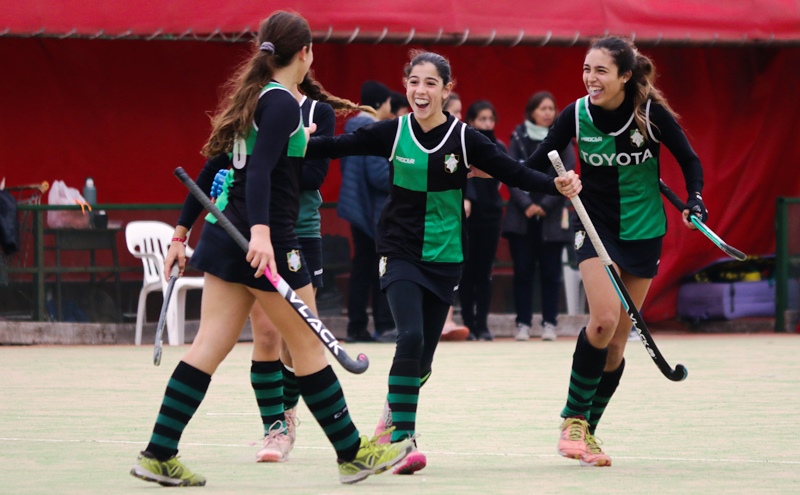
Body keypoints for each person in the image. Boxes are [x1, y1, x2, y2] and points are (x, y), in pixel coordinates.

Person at [128, 11, 414, 487]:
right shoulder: (281, 102)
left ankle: (158, 453)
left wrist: (182, 234)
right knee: (307, 347)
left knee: (208, 345)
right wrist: (261, 234)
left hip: (226, 237)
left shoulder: (259, 98)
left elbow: (240, 164)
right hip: (268, 240)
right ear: (304, 53)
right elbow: (259, 172)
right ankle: (352, 454)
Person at [306, 50, 581, 475]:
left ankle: (388, 421)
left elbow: (513, 172)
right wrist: (299, 141)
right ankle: (403, 440)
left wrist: (556, 184)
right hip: (399, 250)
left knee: (423, 363)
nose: (421, 90)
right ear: (406, 85)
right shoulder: (393, 132)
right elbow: (340, 146)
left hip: (446, 256)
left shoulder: (466, 138)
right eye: (414, 82)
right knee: (410, 338)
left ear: (446, 90)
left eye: (430, 83)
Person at [522, 36, 707, 467]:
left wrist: (694, 200)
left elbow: (690, 161)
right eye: (587, 69)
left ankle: (588, 432)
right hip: (594, 224)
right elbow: (535, 161)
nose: (591, 78)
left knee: (617, 346)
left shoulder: (650, 114)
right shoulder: (576, 114)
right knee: (603, 321)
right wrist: (494, 169)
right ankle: (572, 419)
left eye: (601, 70)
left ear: (625, 76)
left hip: (643, 229)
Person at [247, 86, 336, 462]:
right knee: (267, 332)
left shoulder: (319, 112)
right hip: (260, 231)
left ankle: (289, 410)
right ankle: (276, 427)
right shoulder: (252, 104)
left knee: (297, 339)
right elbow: (245, 169)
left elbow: (314, 175)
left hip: (302, 232)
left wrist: (272, 157)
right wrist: (293, 148)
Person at [504, 91, 577, 342]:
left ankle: (549, 323)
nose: (548, 113)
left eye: (551, 108)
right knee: (523, 272)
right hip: (522, 217)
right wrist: (526, 204)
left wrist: (545, 205)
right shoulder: (518, 136)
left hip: (552, 217)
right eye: (542, 108)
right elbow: (509, 171)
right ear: (532, 112)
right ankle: (523, 323)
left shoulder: (562, 138)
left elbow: (567, 174)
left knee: (551, 273)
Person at [337, 80, 397, 343]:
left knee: (361, 268)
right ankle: (383, 325)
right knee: (380, 267)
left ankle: (357, 326)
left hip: (356, 206)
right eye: (388, 103)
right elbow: (378, 174)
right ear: (379, 103)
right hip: (373, 210)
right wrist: (402, 173)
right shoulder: (372, 129)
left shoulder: (353, 128)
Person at [459, 100, 506, 341]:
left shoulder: (498, 146)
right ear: (471, 121)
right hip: (468, 216)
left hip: (491, 215)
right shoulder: (463, 145)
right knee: (466, 271)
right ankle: (468, 323)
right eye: (482, 119)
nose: (487, 124)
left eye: (490, 119)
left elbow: (504, 176)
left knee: (485, 271)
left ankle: (483, 324)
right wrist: (468, 197)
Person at [439, 91, 469, 341]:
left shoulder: (464, 137)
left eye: (461, 112)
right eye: (455, 111)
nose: (460, 117)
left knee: (450, 264)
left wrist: (468, 199)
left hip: (452, 217)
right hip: (430, 217)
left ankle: (446, 319)